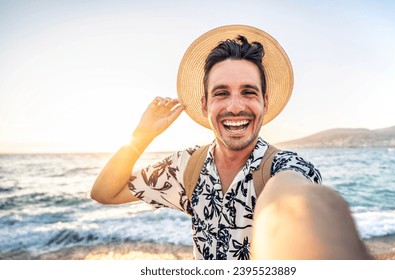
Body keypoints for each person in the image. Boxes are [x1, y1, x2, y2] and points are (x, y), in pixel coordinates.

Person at [91, 25, 371, 260]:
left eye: (248, 92)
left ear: (264, 102)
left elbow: (296, 205)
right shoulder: (185, 167)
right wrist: (142, 136)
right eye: (221, 93)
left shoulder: (288, 168)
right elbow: (105, 192)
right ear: (205, 105)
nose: (235, 106)